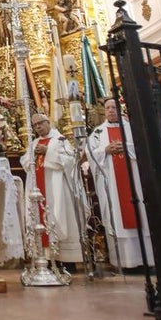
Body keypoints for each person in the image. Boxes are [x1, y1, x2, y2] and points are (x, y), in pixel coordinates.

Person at [86, 98, 151, 270]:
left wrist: (125, 147)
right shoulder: (98, 132)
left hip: (133, 179)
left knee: (140, 213)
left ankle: (146, 261)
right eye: (107, 108)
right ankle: (122, 262)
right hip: (113, 183)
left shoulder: (132, 129)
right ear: (104, 111)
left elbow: (144, 146)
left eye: (114, 107)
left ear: (119, 109)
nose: (111, 111)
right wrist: (105, 150)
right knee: (116, 216)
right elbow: (90, 152)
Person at [19, 114, 83, 264]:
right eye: (35, 125)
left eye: (40, 123)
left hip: (57, 189)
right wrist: (32, 157)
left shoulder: (60, 140)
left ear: (48, 122)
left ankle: (65, 260)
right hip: (39, 188)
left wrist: (48, 151)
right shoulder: (34, 143)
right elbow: (25, 161)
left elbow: (70, 160)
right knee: (40, 218)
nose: (38, 127)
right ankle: (45, 257)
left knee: (58, 217)